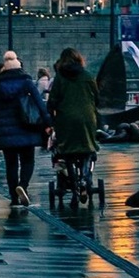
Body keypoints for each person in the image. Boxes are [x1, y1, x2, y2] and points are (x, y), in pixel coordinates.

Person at [0, 50, 49, 207]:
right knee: (28, 160)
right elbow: (40, 104)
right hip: (27, 127)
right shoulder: (27, 82)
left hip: (6, 132)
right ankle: (23, 185)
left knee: (11, 164)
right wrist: (48, 122)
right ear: (19, 66)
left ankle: (14, 197)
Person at [47, 46, 100, 185]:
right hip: (87, 118)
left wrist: (51, 117)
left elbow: (52, 100)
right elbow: (98, 98)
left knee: (68, 152)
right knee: (87, 148)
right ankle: (84, 177)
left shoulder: (59, 78)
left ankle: (74, 186)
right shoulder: (88, 76)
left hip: (66, 119)